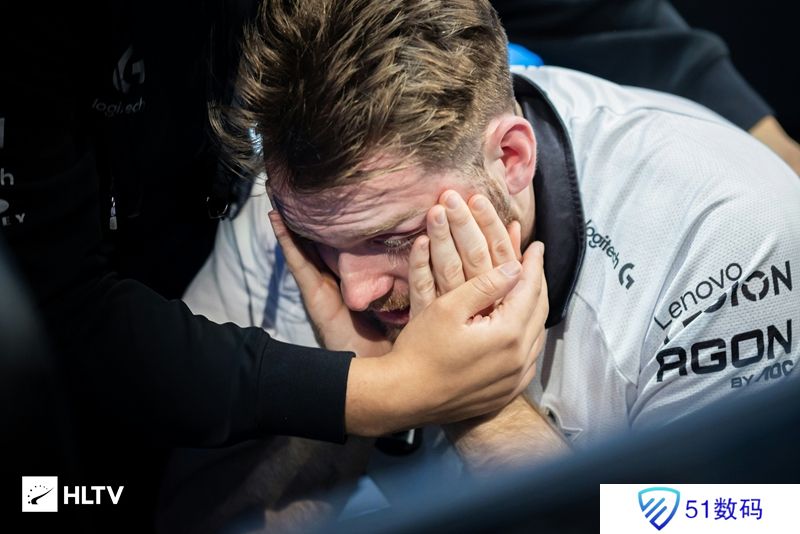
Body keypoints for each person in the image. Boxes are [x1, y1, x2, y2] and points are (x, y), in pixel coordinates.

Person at [177, 0, 800, 528]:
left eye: (394, 237)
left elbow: (746, 515)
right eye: (322, 243)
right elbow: (192, 516)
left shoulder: (727, 242)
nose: (356, 291)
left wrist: (477, 405)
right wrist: (362, 399)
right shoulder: (293, 210)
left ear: (511, 159)